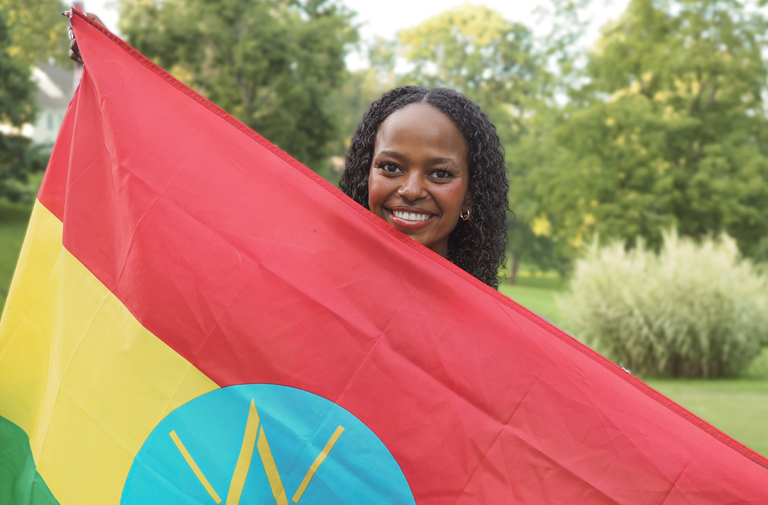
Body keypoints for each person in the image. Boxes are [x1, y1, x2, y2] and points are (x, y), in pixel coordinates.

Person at [68, 20, 509, 289]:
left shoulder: (496, 339)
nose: (410, 190)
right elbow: (186, 242)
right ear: (365, 176)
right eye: (390, 167)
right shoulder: (310, 286)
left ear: (470, 195)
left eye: (439, 174)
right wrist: (116, 79)